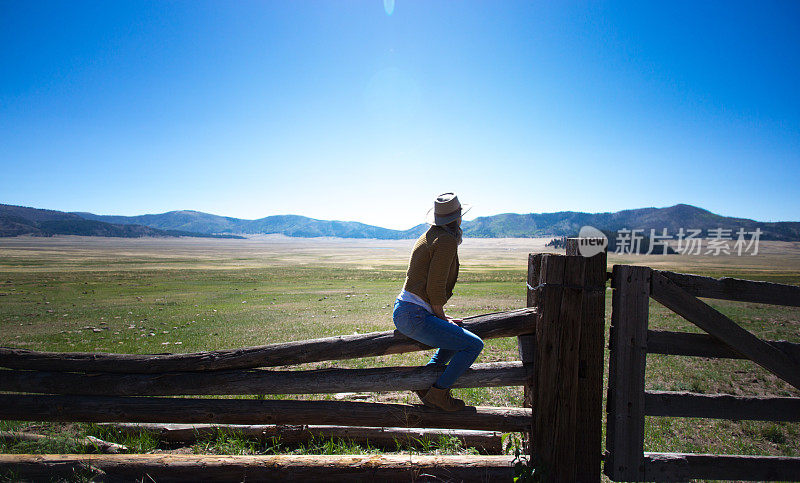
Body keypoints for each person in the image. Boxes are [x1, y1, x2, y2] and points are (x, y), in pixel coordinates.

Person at [392, 193, 484, 411]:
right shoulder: (446, 240)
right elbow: (434, 286)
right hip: (414, 314)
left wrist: (441, 317)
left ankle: (426, 385)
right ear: (458, 217)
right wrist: (441, 316)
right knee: (473, 345)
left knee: (456, 333)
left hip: (407, 310)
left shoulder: (429, 235)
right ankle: (439, 393)